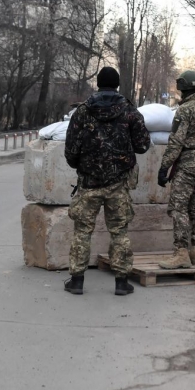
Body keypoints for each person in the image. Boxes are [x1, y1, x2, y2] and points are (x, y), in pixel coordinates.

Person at [63, 66, 150, 296]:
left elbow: (71, 148)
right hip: (119, 183)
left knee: (82, 231)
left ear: (98, 84)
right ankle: (121, 282)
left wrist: (81, 165)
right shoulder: (130, 111)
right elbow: (142, 145)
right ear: (117, 84)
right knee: (119, 232)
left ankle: (77, 281)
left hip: (89, 182)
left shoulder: (82, 111)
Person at [157, 70, 195, 269]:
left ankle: (181, 252)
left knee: (179, 207)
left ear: (183, 87)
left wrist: (164, 167)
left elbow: (176, 141)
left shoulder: (186, 110)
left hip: (187, 163)